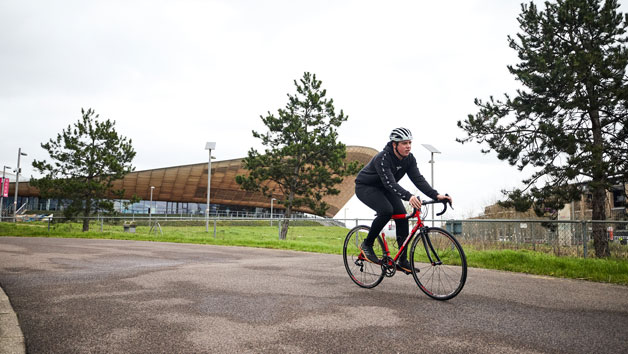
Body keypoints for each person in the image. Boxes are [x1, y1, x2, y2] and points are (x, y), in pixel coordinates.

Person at [354, 127, 452, 273]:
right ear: (394, 144)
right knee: (386, 210)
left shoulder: (409, 159)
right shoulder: (383, 158)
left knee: (402, 216)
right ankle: (367, 244)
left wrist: (436, 195)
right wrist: (409, 196)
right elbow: (390, 183)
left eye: (410, 143)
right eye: (404, 143)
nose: (408, 146)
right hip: (366, 187)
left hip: (385, 189)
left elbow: (418, 180)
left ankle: (403, 259)